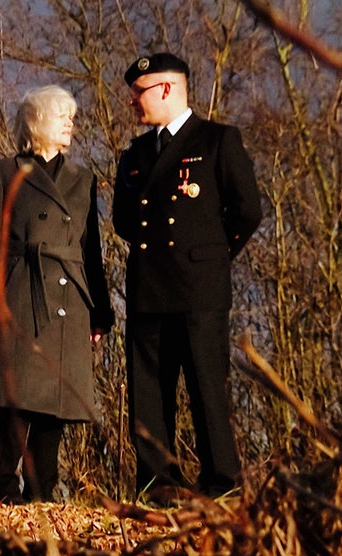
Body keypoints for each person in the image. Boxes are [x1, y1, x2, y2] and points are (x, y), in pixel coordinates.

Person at [113, 53, 262, 499]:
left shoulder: (217, 140)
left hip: (200, 289)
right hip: (147, 287)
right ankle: (159, 484)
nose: (133, 102)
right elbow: (124, 218)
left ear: (165, 89)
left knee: (206, 389)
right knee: (148, 393)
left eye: (138, 93)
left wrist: (211, 256)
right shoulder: (136, 154)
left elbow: (248, 210)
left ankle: (223, 484)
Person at [0, 85, 113, 504]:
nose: (71, 123)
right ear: (36, 122)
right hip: (23, 293)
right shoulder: (5, 172)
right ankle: (0, 487)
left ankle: (41, 493)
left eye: (72, 116)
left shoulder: (83, 180)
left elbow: (91, 250)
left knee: (57, 403)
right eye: (62, 115)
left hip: (71, 299)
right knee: (19, 397)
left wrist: (100, 311)